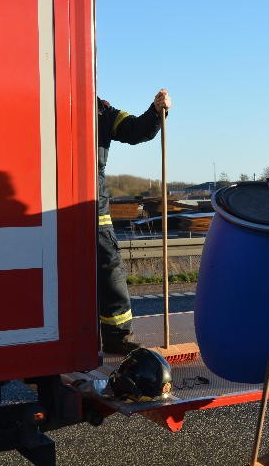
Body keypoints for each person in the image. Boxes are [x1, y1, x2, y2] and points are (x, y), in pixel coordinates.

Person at [97, 89, 171, 355]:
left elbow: (135, 130)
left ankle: (117, 337)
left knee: (110, 271)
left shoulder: (101, 110)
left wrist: (155, 112)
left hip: (94, 207)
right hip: (52, 207)